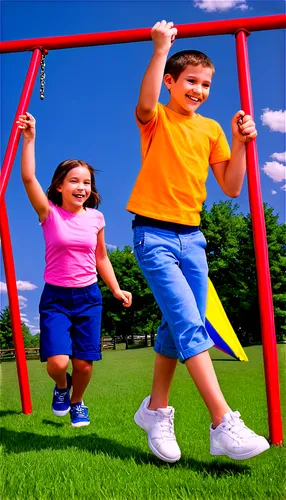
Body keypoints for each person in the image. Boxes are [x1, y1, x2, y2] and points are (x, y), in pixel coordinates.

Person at [126, 20, 269, 462]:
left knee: (175, 324)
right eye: (191, 80)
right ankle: (221, 422)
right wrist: (159, 48)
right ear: (171, 82)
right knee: (190, 322)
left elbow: (230, 186)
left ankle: (156, 409)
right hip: (154, 235)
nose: (199, 89)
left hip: (194, 238)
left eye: (206, 84)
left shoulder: (210, 130)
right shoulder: (158, 119)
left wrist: (243, 144)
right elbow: (146, 100)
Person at [18, 112, 132, 427]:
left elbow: (101, 257)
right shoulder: (48, 213)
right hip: (55, 297)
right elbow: (28, 178)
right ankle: (61, 386)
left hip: (88, 297)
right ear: (58, 187)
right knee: (57, 363)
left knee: (83, 365)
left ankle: (78, 402)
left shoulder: (96, 218)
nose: (81, 187)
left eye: (86, 182)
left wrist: (115, 288)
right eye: (74, 181)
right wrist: (30, 138)